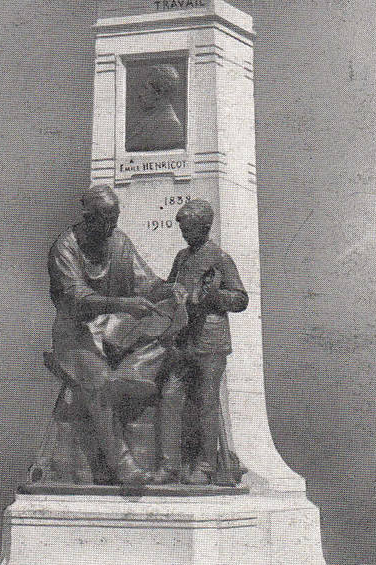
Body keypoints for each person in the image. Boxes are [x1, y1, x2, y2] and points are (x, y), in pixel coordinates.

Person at [47, 184, 181, 486]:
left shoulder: (119, 242)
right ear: (88, 217)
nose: (112, 226)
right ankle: (123, 466)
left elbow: (145, 282)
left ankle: (171, 461)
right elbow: (75, 299)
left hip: (114, 329)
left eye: (115, 218)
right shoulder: (64, 247)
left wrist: (171, 289)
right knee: (100, 383)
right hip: (74, 333)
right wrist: (123, 304)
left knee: (166, 348)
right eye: (105, 219)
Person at [154, 199, 249, 485]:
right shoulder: (182, 257)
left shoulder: (220, 258)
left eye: (188, 229)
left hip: (210, 342)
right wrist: (170, 290)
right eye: (182, 229)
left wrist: (212, 297)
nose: (183, 234)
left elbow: (241, 299)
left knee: (207, 402)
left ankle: (207, 466)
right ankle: (169, 465)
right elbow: (170, 285)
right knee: (170, 397)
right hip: (183, 340)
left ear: (203, 228)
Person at [125, 63, 185, 152]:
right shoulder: (152, 118)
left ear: (159, 93)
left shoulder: (169, 126)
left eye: (145, 88)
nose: (140, 94)